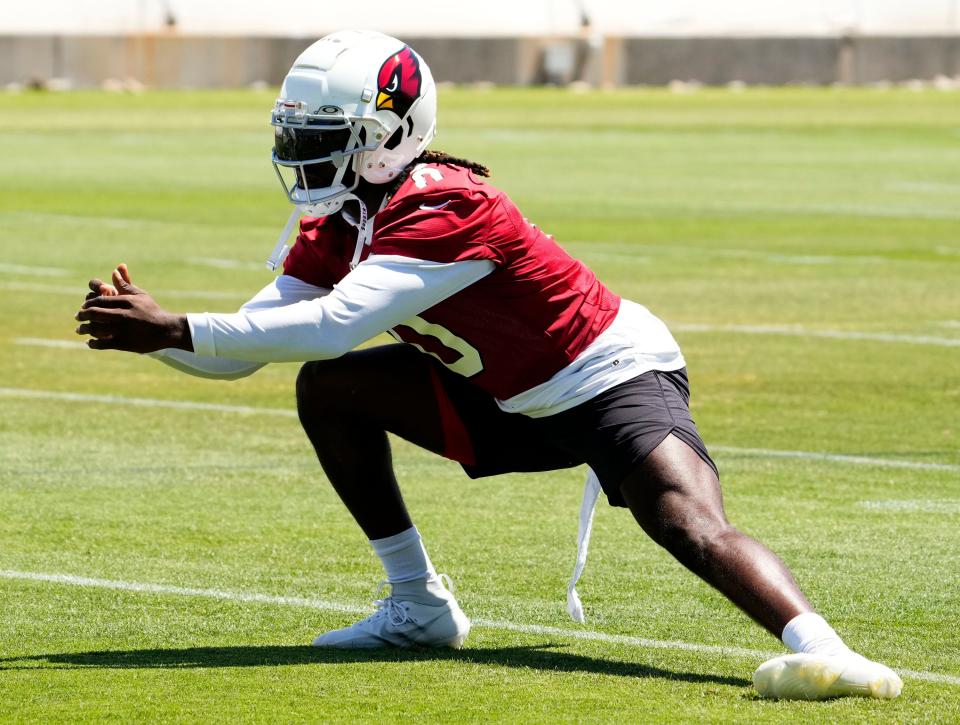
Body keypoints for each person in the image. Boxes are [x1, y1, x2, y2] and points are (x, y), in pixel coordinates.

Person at [75, 30, 902, 700]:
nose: (301, 152)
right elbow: (252, 345)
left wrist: (177, 325)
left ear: (389, 135)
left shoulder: (445, 203)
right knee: (330, 389)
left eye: (324, 137)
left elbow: (331, 324)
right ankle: (418, 604)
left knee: (684, 520)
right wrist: (163, 338)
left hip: (604, 375)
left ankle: (827, 653)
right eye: (295, 133)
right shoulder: (340, 218)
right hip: (503, 391)